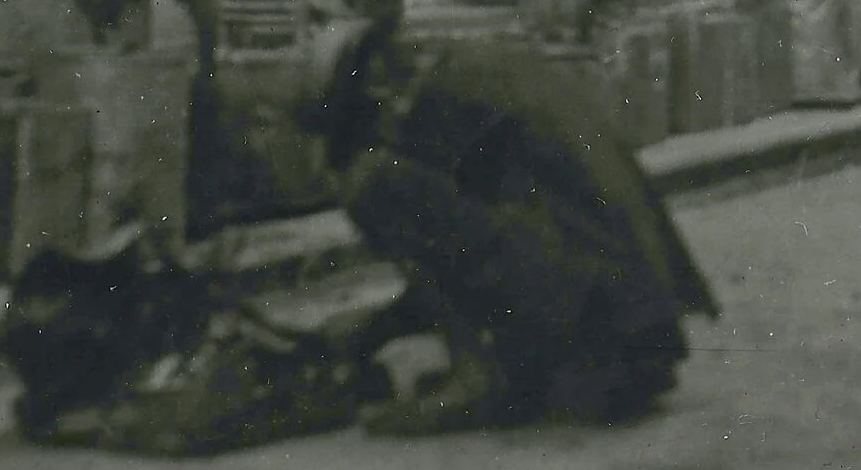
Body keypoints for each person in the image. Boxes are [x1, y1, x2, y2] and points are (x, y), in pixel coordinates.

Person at [304, 24, 719, 434]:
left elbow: (451, 253)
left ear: (374, 87)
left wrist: (376, 331)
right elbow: (477, 247)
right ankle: (528, 368)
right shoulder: (479, 66)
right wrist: (375, 329)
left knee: (372, 183)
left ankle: (476, 379)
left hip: (606, 314)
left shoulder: (435, 105)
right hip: (638, 324)